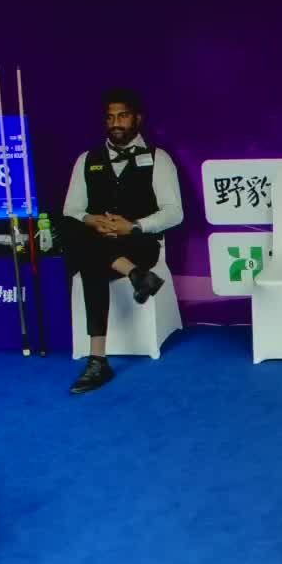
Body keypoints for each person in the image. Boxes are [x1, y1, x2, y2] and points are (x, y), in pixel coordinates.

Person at [59, 88, 184, 394]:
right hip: (99, 241)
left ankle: (98, 361)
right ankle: (136, 277)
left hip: (140, 244)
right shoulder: (87, 159)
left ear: (137, 119)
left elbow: (174, 212)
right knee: (78, 235)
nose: (115, 123)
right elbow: (72, 209)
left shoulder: (158, 158)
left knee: (88, 255)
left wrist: (134, 226)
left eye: (123, 116)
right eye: (110, 117)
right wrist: (94, 220)